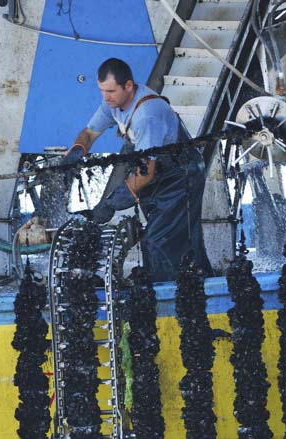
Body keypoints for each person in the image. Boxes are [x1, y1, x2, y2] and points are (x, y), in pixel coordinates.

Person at [60, 58, 212, 282]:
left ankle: (177, 293)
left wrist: (110, 204)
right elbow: (90, 133)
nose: (105, 97)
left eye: (110, 91)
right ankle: (193, 283)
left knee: (160, 240)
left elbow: (144, 173)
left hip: (181, 176)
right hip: (160, 175)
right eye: (102, 91)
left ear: (128, 86)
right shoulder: (112, 104)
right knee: (177, 239)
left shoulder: (147, 114)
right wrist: (77, 150)